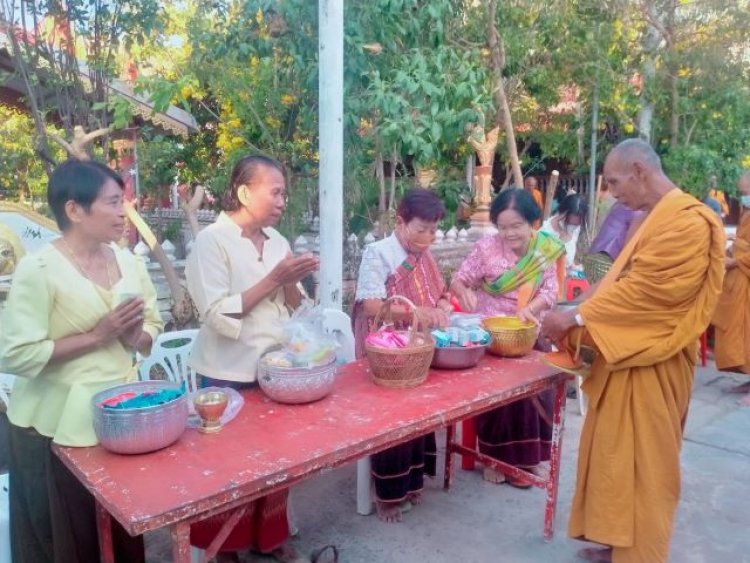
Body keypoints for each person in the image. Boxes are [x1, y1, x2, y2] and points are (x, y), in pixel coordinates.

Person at [541, 139, 724, 563]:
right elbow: (619, 280)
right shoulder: (651, 217)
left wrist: (575, 319)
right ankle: (613, 539)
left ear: (640, 171)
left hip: (652, 359)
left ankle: (640, 552)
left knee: (645, 466)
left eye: (614, 182)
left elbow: (650, 294)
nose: (611, 193)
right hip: (622, 354)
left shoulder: (690, 221)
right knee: (612, 454)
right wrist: (577, 310)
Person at [0, 159, 164, 563]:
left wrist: (135, 337)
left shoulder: (129, 262)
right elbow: (15, 353)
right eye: (112, 202)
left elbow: (154, 324)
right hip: (53, 428)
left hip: (121, 419)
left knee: (123, 530)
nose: (122, 213)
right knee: (69, 541)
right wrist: (97, 336)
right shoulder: (38, 269)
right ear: (74, 210)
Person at [185, 155, 318, 562]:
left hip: (276, 370)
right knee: (229, 467)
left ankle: (270, 537)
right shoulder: (211, 242)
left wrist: (293, 282)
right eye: (275, 191)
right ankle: (223, 548)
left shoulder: (277, 240)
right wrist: (274, 279)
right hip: (226, 372)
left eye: (284, 193)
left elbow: (292, 305)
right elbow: (215, 312)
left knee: (277, 461)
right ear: (245, 192)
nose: (283, 201)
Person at [450, 188, 563, 487]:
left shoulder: (544, 250)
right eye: (503, 227)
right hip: (494, 337)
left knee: (535, 393)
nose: (509, 233)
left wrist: (530, 309)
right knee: (499, 398)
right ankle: (494, 459)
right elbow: (459, 280)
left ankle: (527, 460)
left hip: (529, 333)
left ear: (532, 224)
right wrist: (464, 293)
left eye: (516, 226)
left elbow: (551, 292)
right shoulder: (486, 249)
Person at [352, 188, 451, 523]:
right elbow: (370, 306)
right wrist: (416, 315)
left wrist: (439, 307)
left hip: (417, 349)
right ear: (400, 222)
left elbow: (441, 292)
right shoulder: (379, 253)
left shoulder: (425, 253)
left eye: (433, 230)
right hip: (384, 348)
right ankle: (388, 496)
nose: (427, 237)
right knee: (393, 418)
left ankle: (412, 482)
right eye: (420, 228)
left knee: (419, 412)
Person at [712, 171, 750, 400]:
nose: (742, 197)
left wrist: (735, 259)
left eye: (745, 192)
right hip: (740, 281)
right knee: (739, 332)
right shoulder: (747, 214)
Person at [540, 193, 588, 272]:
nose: (573, 228)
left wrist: (572, 266)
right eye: (570, 223)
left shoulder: (575, 225)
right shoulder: (546, 231)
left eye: (576, 225)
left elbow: (569, 251)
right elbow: (542, 264)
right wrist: (560, 241)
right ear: (563, 214)